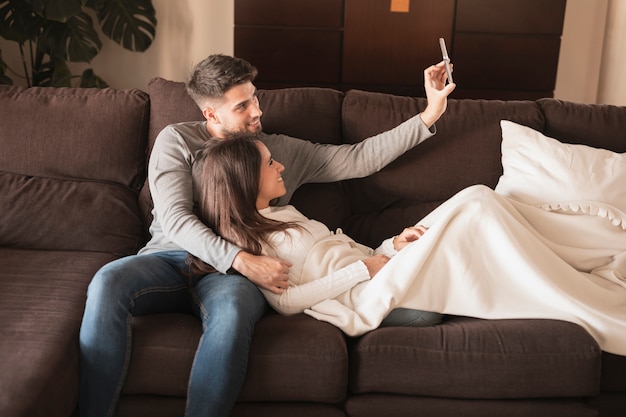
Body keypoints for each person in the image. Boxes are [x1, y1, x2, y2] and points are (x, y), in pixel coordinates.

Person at [78, 54, 455, 417]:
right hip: (173, 258)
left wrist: (429, 114)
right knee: (108, 281)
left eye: (254, 97)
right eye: (242, 106)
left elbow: (356, 158)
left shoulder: (276, 149)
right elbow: (176, 218)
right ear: (211, 114)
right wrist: (242, 260)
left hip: (230, 277)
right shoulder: (177, 141)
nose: (257, 111)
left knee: (232, 314)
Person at [189, 135, 626, 356]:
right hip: (369, 293)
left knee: (478, 197)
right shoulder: (250, 245)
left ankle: (585, 251)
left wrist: (392, 244)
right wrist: (367, 270)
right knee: (476, 208)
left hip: (381, 269)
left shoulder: (284, 214)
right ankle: (580, 288)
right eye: (270, 163)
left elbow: (352, 254)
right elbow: (288, 303)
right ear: (245, 181)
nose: (280, 164)